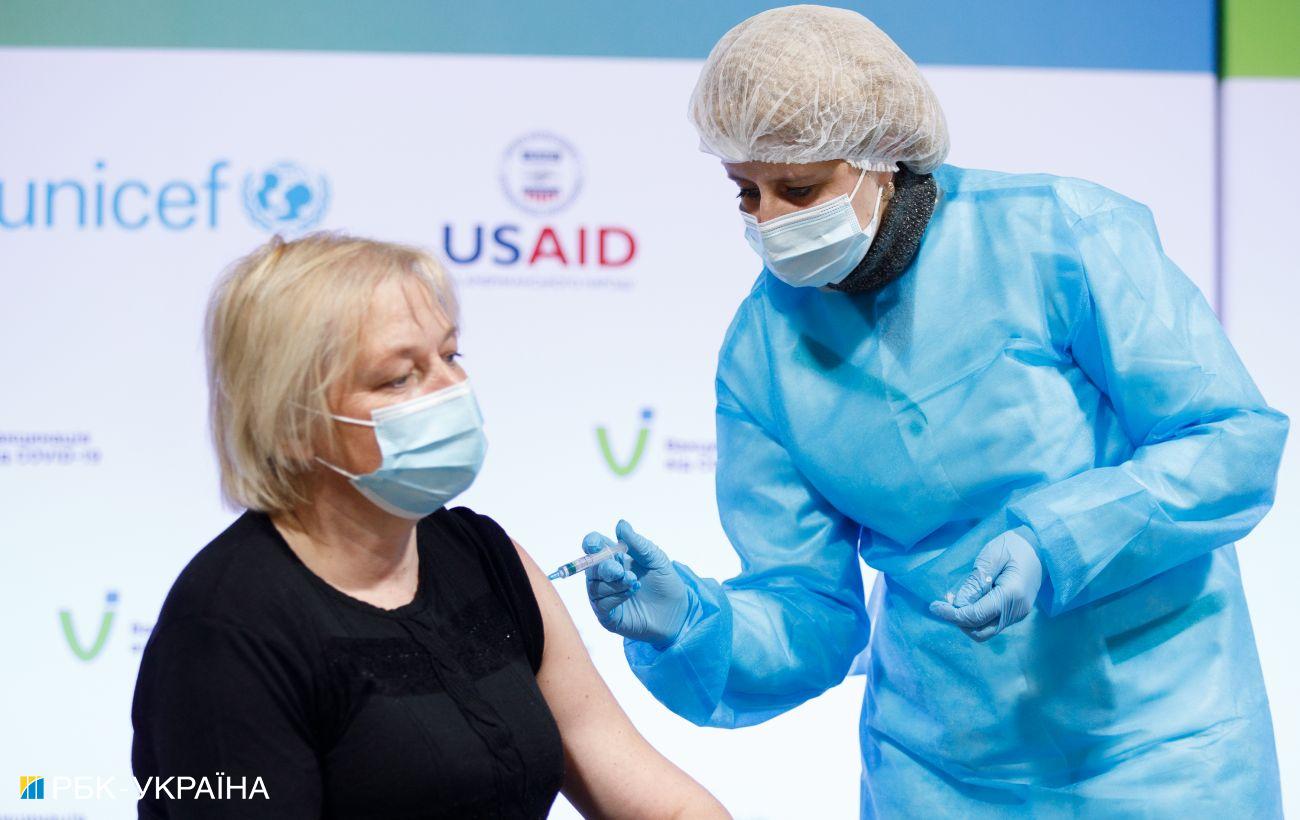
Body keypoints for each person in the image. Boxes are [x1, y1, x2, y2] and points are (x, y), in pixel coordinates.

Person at [579, 5, 1288, 817]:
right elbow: (811, 607)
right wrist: (698, 626)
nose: (768, 220)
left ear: (882, 155)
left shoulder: (1056, 236)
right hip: (941, 768)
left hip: (1162, 744)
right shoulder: (761, 354)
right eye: (746, 192)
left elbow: (1229, 442)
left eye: (798, 188)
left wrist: (1054, 542)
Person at [131, 233, 729, 819]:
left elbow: (665, 805)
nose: (451, 390)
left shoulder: (484, 556)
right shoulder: (225, 631)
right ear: (289, 422)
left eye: (450, 356)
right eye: (399, 377)